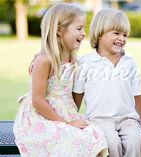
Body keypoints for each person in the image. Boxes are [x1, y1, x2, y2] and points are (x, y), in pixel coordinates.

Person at [13, 3, 108, 157]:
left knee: (95, 133)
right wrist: (66, 123)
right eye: (78, 28)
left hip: (65, 113)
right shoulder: (44, 60)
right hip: (40, 117)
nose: (83, 33)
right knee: (72, 138)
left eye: (84, 28)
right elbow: (37, 100)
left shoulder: (73, 61)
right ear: (58, 30)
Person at [72, 8, 141, 157]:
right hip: (99, 119)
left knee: (136, 141)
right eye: (116, 33)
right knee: (111, 143)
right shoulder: (85, 63)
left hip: (128, 119)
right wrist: (70, 121)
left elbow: (137, 95)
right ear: (100, 34)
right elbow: (76, 98)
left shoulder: (130, 62)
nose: (122, 38)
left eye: (125, 34)